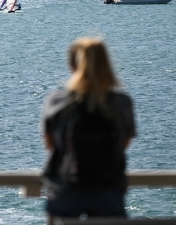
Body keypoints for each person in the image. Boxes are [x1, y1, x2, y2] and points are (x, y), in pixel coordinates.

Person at [41, 38, 136, 223]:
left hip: (66, 185)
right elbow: (123, 143)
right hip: (108, 185)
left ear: (72, 65)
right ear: (106, 64)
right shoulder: (121, 102)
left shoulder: (56, 102)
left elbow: (51, 144)